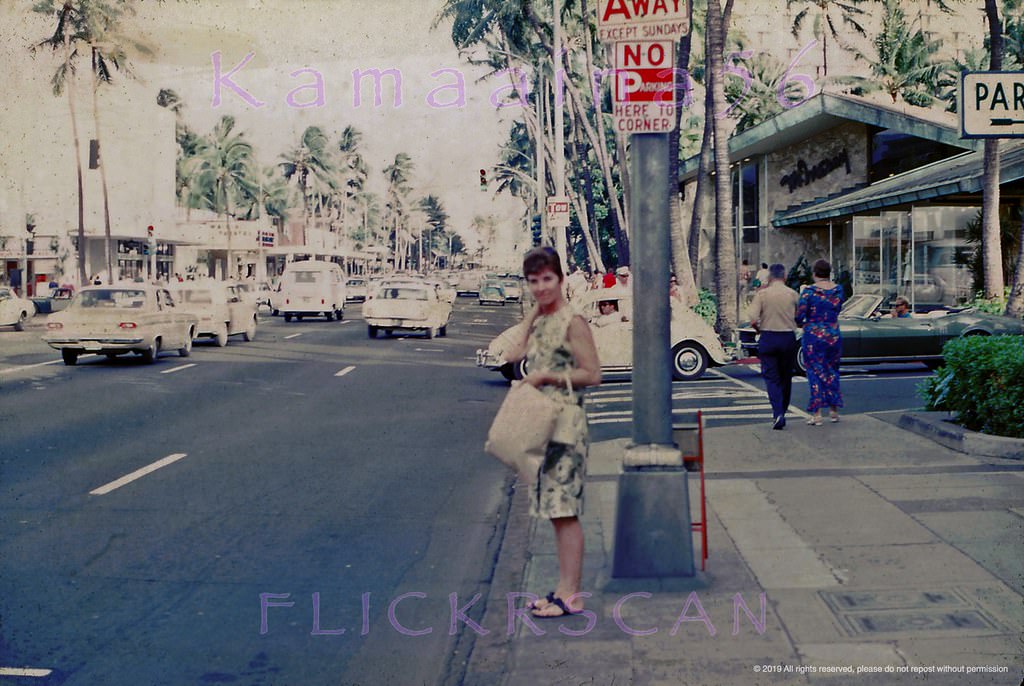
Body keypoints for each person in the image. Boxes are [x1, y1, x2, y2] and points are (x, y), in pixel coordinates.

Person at [503, 247, 602, 618]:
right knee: (555, 510)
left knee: (566, 509)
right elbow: (514, 354)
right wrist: (534, 310)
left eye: (548, 279)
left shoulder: (573, 321)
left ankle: (571, 595)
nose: (541, 287)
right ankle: (562, 589)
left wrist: (547, 376)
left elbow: (593, 374)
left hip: (567, 424)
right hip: (544, 423)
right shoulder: (544, 320)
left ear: (561, 279)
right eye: (534, 281)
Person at [748, 263, 799, 430]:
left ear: (769, 277)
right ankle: (782, 410)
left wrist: (759, 329)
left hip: (768, 336)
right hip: (787, 338)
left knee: (771, 378)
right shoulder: (792, 294)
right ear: (784, 277)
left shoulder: (762, 295)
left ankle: (777, 413)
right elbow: (800, 317)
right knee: (786, 377)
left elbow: (753, 319)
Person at [796, 259, 844, 425]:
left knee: (815, 372)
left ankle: (817, 414)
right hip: (833, 334)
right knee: (832, 370)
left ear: (814, 273)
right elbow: (837, 309)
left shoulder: (808, 292)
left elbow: (799, 315)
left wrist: (803, 323)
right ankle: (833, 411)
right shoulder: (838, 290)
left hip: (813, 335)